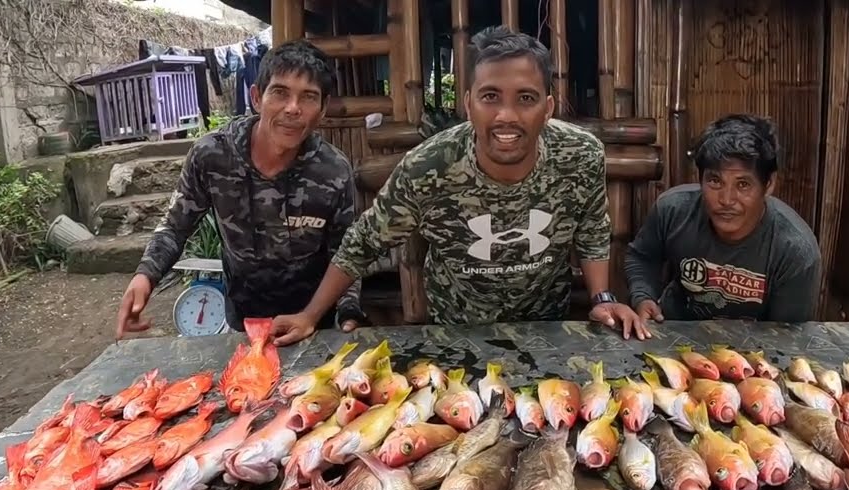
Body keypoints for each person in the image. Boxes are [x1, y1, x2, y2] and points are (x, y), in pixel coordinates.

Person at [268, 25, 649, 344]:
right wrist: (309, 315)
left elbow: (592, 230)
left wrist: (601, 297)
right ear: (468, 104)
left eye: (526, 98)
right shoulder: (428, 167)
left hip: (547, 328)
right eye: (490, 97)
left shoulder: (580, 155)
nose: (506, 115)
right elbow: (363, 241)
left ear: (548, 108)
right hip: (455, 334)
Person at [115, 39, 365, 341]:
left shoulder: (333, 171)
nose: (293, 108)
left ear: (323, 109)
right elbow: (175, 227)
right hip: (243, 322)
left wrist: (347, 312)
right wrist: (145, 277)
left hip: (313, 323)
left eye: (309, 97)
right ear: (257, 97)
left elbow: (347, 251)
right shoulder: (212, 156)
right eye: (280, 92)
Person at [625, 114, 822, 324]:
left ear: (769, 184)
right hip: (676, 329)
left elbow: (785, 336)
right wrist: (643, 297)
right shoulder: (673, 210)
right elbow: (642, 257)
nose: (727, 200)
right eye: (715, 181)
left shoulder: (795, 251)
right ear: (700, 178)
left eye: (743, 184)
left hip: (757, 342)